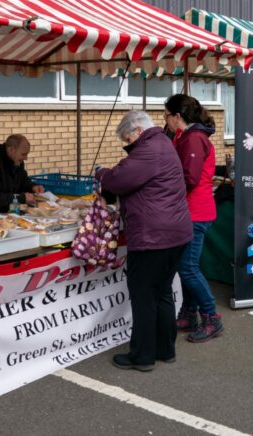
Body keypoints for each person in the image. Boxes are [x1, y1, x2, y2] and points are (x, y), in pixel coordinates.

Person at [96, 111, 193, 372]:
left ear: (138, 130)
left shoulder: (149, 149)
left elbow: (119, 179)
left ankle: (142, 356)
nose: (127, 146)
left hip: (154, 237)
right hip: (175, 233)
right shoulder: (162, 143)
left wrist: (101, 173)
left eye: (128, 139)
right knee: (161, 292)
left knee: (143, 297)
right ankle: (165, 349)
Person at [163, 94, 224, 343]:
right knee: (185, 266)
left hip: (195, 212)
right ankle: (189, 313)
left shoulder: (194, 139)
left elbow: (189, 178)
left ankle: (211, 316)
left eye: (166, 114)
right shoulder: (184, 136)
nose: (164, 119)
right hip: (188, 211)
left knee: (188, 268)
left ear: (177, 116)